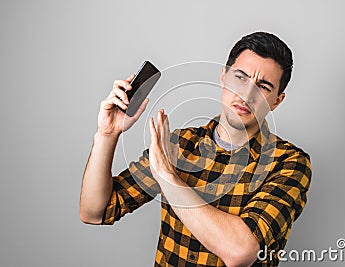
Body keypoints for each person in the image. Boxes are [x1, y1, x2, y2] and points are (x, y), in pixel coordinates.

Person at [80, 32, 312, 267]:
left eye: (263, 87)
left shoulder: (289, 163)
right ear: (223, 76)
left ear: (277, 101)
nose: (246, 95)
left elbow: (241, 251)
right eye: (240, 77)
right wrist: (107, 135)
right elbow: (95, 212)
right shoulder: (179, 145)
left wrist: (168, 178)